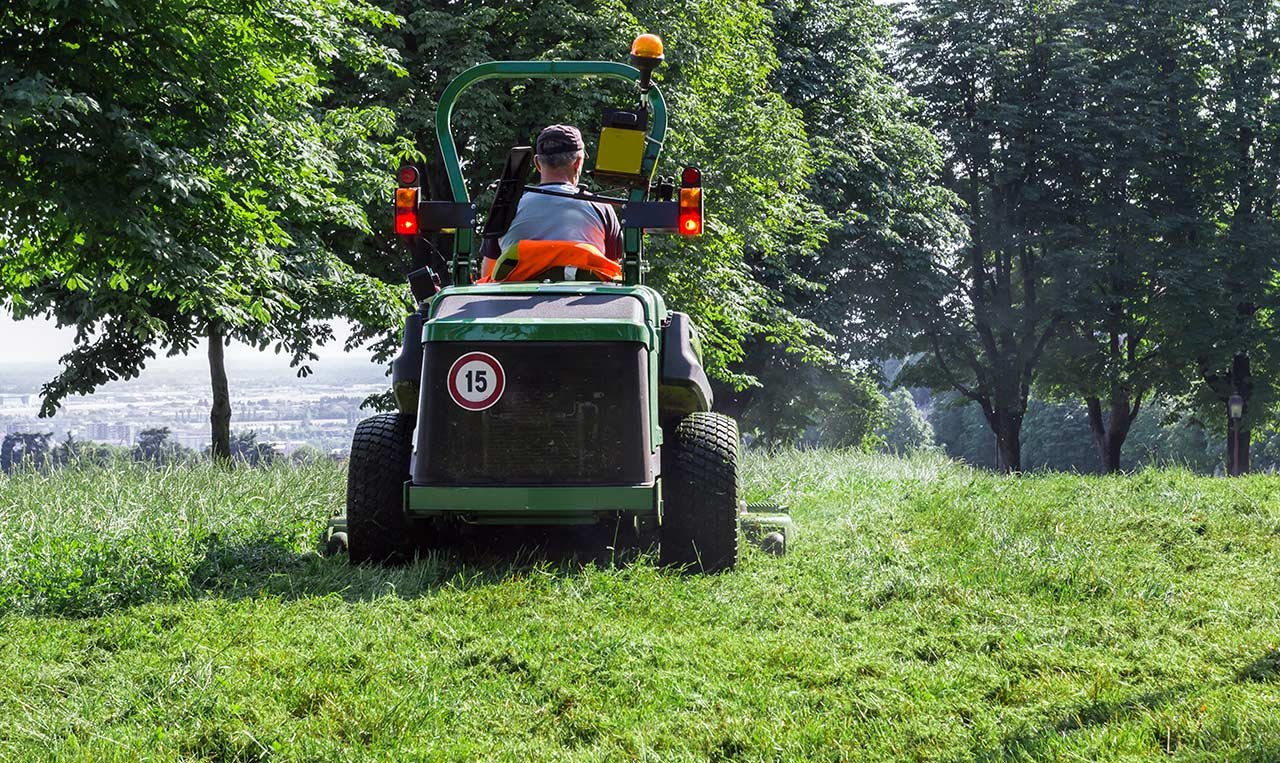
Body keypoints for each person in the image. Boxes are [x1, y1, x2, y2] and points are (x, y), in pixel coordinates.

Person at [480, 124, 623, 281]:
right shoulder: (601, 209)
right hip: (582, 302)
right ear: (578, 163)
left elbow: (489, 275)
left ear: (537, 163)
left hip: (512, 303)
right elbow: (610, 271)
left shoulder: (506, 208)